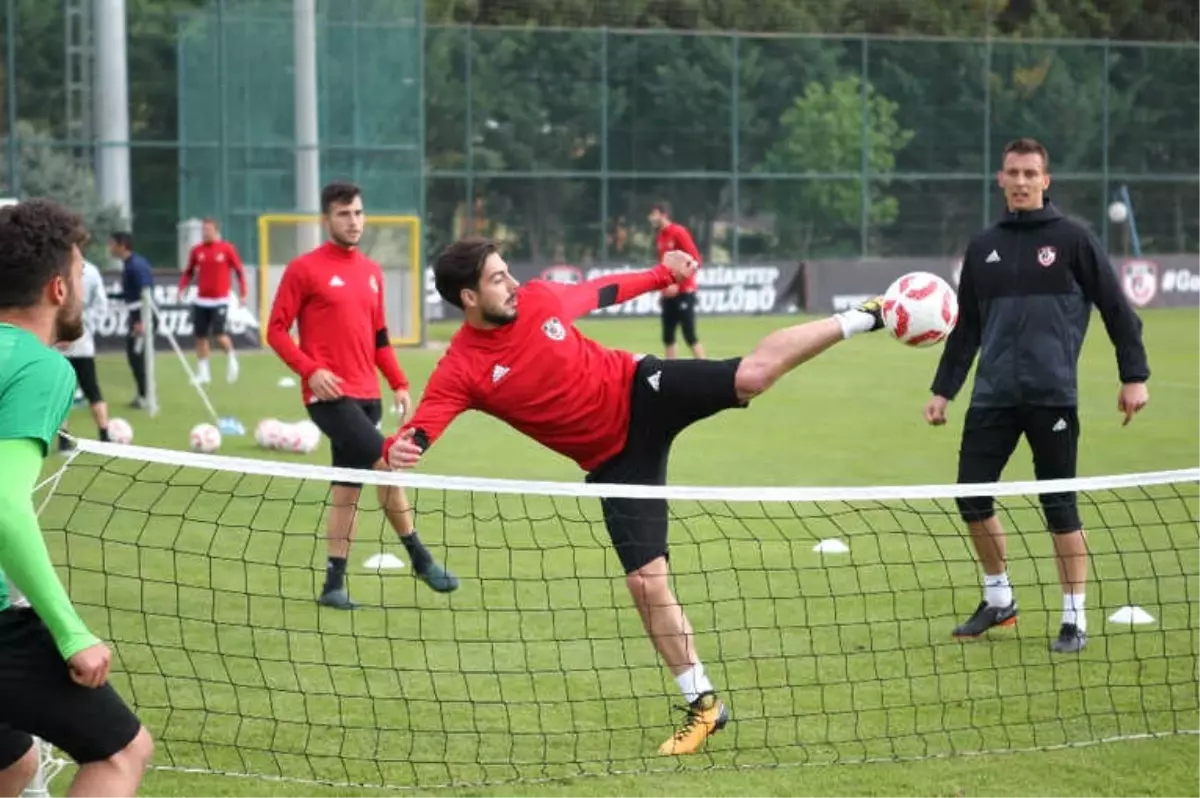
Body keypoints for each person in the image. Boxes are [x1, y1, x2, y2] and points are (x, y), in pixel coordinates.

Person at [382, 236, 886, 756]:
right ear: (468, 298)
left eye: (508, 272)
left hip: (642, 389)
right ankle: (705, 705)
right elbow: (424, 425)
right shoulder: (462, 367)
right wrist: (408, 446)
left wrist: (664, 273)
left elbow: (604, 289)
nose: (512, 284)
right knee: (646, 584)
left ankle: (861, 317)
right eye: (496, 279)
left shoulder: (539, 299)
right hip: (617, 465)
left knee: (752, 376)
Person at [926, 137, 1151, 654]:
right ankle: (998, 598)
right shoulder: (983, 247)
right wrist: (943, 390)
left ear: (1046, 180)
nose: (1022, 181)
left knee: (1060, 509)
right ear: (1000, 180)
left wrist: (1133, 375)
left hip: (1052, 397)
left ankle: (1074, 619)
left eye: (1031, 173)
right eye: (1013, 172)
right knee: (971, 498)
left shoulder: (1074, 240)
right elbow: (967, 330)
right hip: (992, 397)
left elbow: (1118, 309)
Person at [0, 198, 153, 798]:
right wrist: (70, 633)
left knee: (13, 765)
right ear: (59, 287)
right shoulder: (40, 366)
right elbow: (5, 503)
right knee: (122, 753)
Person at [267, 181, 459, 609]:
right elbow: (276, 330)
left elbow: (378, 337)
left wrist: (399, 381)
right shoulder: (303, 269)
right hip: (330, 400)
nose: (353, 221)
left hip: (368, 396)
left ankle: (332, 586)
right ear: (326, 219)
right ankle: (420, 558)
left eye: (357, 213)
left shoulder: (372, 272)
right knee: (388, 464)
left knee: (347, 491)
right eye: (343, 214)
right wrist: (310, 370)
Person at [178, 217, 248, 385]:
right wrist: (182, 287)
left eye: (208, 230)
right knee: (200, 337)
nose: (205, 233)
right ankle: (204, 374)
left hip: (220, 300)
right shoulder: (197, 250)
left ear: (216, 231)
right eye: (203, 230)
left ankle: (232, 358)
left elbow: (239, 271)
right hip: (201, 300)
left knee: (219, 335)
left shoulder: (227, 249)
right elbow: (189, 271)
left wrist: (243, 293)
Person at [57, 249, 111, 452]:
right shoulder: (91, 271)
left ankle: (64, 441)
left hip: (62, 343)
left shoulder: (53, 268)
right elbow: (101, 305)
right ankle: (104, 437)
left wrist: (58, 332)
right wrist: (85, 330)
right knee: (91, 390)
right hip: (79, 342)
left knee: (64, 393)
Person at [648, 203, 705, 359]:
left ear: (663, 215)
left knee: (689, 334)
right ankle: (669, 374)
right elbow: (664, 267)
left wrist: (678, 284)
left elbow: (695, 260)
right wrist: (663, 289)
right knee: (668, 337)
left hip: (684, 292)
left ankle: (706, 371)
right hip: (668, 294)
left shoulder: (678, 232)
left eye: (654, 214)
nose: (651, 218)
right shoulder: (660, 236)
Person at [107, 232, 154, 410]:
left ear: (122, 245)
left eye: (112, 244)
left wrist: (141, 320)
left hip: (143, 317)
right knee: (135, 357)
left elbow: (146, 293)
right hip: (137, 317)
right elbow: (131, 294)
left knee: (138, 357)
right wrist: (110, 296)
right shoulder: (129, 265)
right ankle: (144, 394)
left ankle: (145, 396)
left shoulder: (136, 265)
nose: (109, 248)